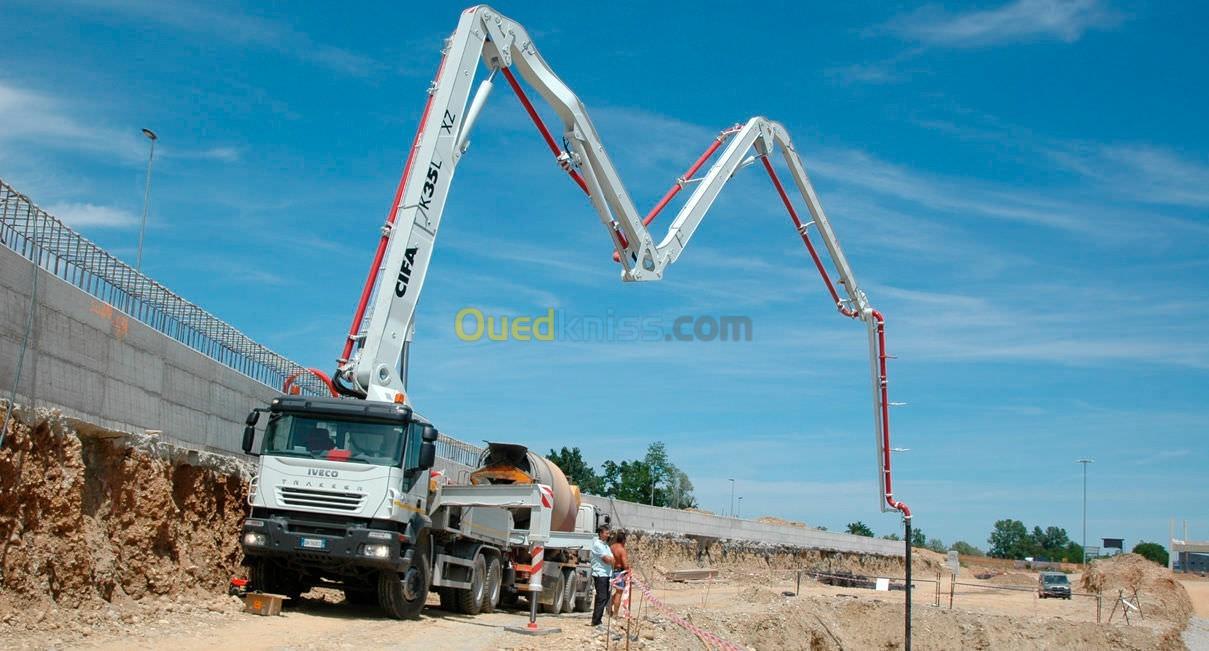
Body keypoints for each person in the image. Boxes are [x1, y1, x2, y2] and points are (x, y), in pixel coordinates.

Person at [589, 524, 614, 628]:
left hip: (607, 574)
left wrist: (612, 560)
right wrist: (611, 560)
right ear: (601, 533)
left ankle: (598, 619)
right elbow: (608, 560)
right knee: (601, 597)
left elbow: (612, 559)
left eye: (609, 533)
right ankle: (596, 621)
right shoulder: (598, 545)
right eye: (606, 533)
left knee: (606, 597)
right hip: (600, 574)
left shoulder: (605, 545)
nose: (608, 535)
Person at [609, 531, 629, 617]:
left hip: (611, 570)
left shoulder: (611, 547)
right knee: (619, 593)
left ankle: (608, 607)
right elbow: (625, 565)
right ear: (623, 540)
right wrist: (628, 571)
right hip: (619, 572)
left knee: (615, 592)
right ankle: (615, 614)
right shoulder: (622, 550)